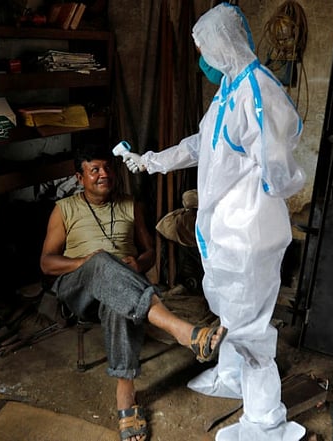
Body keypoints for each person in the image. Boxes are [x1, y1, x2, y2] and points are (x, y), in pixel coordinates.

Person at [118, 3, 307, 440]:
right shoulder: (228, 89)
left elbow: (279, 168)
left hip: (248, 232)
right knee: (225, 309)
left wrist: (259, 197)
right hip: (224, 230)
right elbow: (202, 143)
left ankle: (265, 421)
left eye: (204, 47)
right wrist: (151, 161)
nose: (202, 57)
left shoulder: (259, 91)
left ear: (223, 44)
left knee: (249, 327)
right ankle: (231, 377)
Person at [40, 144, 227, 441]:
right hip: (79, 287)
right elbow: (47, 263)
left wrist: (138, 263)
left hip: (120, 287)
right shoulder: (64, 209)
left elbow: (150, 253)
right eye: (95, 170)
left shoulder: (130, 204)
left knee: (117, 300)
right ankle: (181, 330)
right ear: (79, 177)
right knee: (102, 261)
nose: (104, 174)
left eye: (107, 168)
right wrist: (85, 262)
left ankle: (125, 396)